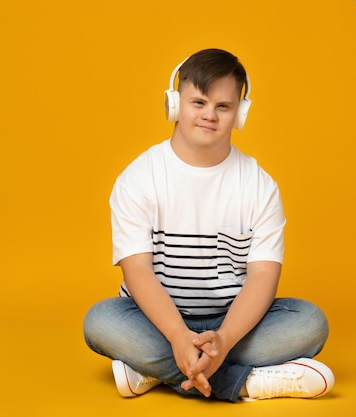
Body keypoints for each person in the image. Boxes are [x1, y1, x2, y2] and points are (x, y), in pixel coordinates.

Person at [82, 48, 334, 402]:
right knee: (101, 321)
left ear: (240, 113)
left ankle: (156, 368)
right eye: (198, 102)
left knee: (309, 322)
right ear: (175, 105)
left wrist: (225, 338)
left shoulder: (259, 184)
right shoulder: (138, 178)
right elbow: (136, 270)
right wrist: (178, 337)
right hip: (155, 322)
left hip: (234, 325)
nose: (209, 116)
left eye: (223, 106)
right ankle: (245, 383)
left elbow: (263, 276)